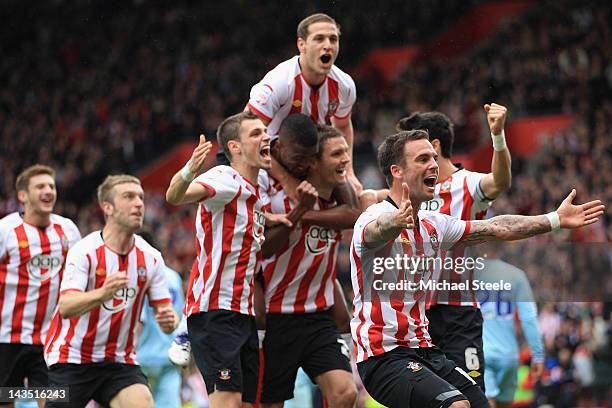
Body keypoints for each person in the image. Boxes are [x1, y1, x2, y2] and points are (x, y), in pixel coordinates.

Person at [350, 130, 604, 408]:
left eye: (434, 158)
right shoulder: (371, 219)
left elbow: (497, 228)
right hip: (382, 356)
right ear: (397, 171)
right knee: (457, 406)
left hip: (424, 350)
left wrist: (554, 219)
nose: (434, 165)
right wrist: (395, 222)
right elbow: (376, 232)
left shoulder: (434, 224)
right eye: (423, 159)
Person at [396, 103, 512, 388]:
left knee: (470, 393)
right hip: (415, 313)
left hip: (459, 314)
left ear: (434, 145)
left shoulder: (468, 184)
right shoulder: (404, 190)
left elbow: (500, 181)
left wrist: (497, 136)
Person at [165, 110, 273, 408]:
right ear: (235, 147)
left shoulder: (257, 189)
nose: (266, 137)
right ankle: (186, 328)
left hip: (243, 313)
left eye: (265, 131)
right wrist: (190, 169)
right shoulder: (224, 178)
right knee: (227, 403)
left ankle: (185, 329)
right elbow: (175, 196)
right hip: (216, 311)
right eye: (255, 133)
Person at [44, 175, 178, 408]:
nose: (138, 203)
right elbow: (66, 306)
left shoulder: (152, 258)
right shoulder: (84, 251)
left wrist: (170, 320)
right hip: (72, 358)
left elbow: (167, 315)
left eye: (140, 197)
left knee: (142, 402)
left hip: (118, 361)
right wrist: (102, 294)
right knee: (20, 397)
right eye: (128, 197)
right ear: (108, 208)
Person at [259, 122, 359, 408]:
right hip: (279, 316)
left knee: (345, 393)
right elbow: (265, 250)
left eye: (345, 152)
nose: (345, 159)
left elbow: (353, 215)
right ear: (314, 162)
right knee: (271, 403)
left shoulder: (340, 201)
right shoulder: (279, 199)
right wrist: (298, 211)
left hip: (318, 318)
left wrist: (304, 216)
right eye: (336, 154)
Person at [242, 13, 361, 191]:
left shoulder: (345, 85)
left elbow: (343, 127)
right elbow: (246, 133)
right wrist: (285, 179)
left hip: (311, 160)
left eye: (333, 39)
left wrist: (349, 171)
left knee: (352, 195)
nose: (327, 45)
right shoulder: (280, 82)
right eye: (319, 39)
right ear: (302, 45)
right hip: (272, 159)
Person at [0, 165, 81, 408]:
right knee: (6, 401)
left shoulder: (67, 230)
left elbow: (78, 278)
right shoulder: (6, 230)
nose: (48, 191)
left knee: (56, 401)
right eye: (40, 186)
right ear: (22, 195)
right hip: (7, 338)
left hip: (50, 341)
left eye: (52, 186)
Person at [475, 256, 545, 408]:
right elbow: (529, 318)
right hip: (509, 354)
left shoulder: (470, 273)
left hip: (481, 351)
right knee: (504, 403)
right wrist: (538, 355)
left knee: (487, 402)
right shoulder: (516, 275)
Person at [136, 231, 185, 408]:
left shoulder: (138, 275)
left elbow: (137, 323)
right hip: (168, 359)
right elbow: (180, 319)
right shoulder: (174, 277)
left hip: (140, 361)